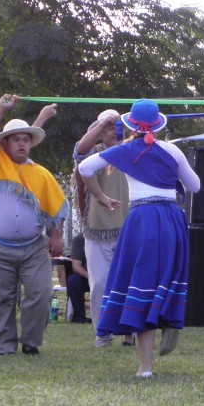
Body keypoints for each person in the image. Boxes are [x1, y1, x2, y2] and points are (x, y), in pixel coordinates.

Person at [79, 99, 201, 378]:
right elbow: (195, 186)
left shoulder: (124, 151)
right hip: (171, 218)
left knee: (142, 282)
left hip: (142, 219)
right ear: (158, 124)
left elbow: (85, 167)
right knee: (168, 276)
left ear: (129, 125)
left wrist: (100, 196)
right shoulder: (172, 150)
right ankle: (170, 319)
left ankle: (145, 367)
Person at [0, 94, 67, 356]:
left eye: (26, 140)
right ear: (3, 143)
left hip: (33, 248)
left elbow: (56, 207)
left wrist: (56, 237)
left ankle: (30, 342)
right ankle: (2, 347)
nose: (22, 144)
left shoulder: (39, 173)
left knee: (41, 293)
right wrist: (2, 107)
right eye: (16, 139)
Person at [73, 109, 132, 346]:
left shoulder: (131, 153)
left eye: (117, 127)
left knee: (129, 282)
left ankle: (131, 333)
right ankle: (103, 333)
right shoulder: (94, 155)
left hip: (129, 227)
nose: (114, 131)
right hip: (97, 229)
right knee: (99, 283)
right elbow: (80, 150)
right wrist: (101, 124)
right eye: (108, 128)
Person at [66, 232, 91, 324]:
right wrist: (90, 277)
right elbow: (76, 266)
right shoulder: (79, 239)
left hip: (105, 275)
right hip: (86, 277)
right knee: (73, 281)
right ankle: (79, 317)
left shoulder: (111, 237)